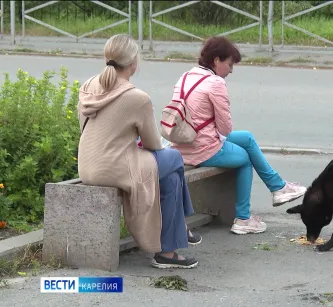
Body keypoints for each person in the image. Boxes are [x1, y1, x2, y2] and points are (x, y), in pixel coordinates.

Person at [77, 34, 200, 269]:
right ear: (133, 63)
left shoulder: (89, 85)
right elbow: (153, 144)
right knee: (173, 157)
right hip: (114, 167)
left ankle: (169, 251)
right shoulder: (137, 98)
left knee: (172, 177)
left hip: (87, 165)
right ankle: (177, 231)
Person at [168, 36, 307, 235]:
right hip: (200, 148)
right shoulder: (215, 83)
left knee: (248, 138)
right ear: (216, 60)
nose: (231, 70)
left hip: (181, 143)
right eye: (230, 64)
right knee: (244, 158)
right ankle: (243, 218)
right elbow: (225, 129)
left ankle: (278, 188)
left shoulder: (186, 76)